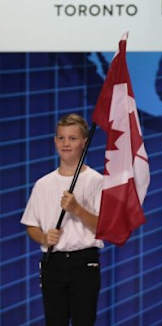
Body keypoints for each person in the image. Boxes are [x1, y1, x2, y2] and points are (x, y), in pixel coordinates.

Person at [21, 113, 103, 326]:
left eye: (73, 138)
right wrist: (44, 238)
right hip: (53, 264)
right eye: (61, 138)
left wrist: (77, 209)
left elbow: (103, 227)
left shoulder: (97, 181)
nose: (66, 143)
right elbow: (31, 224)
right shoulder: (43, 184)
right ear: (55, 141)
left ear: (84, 142)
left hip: (85, 262)